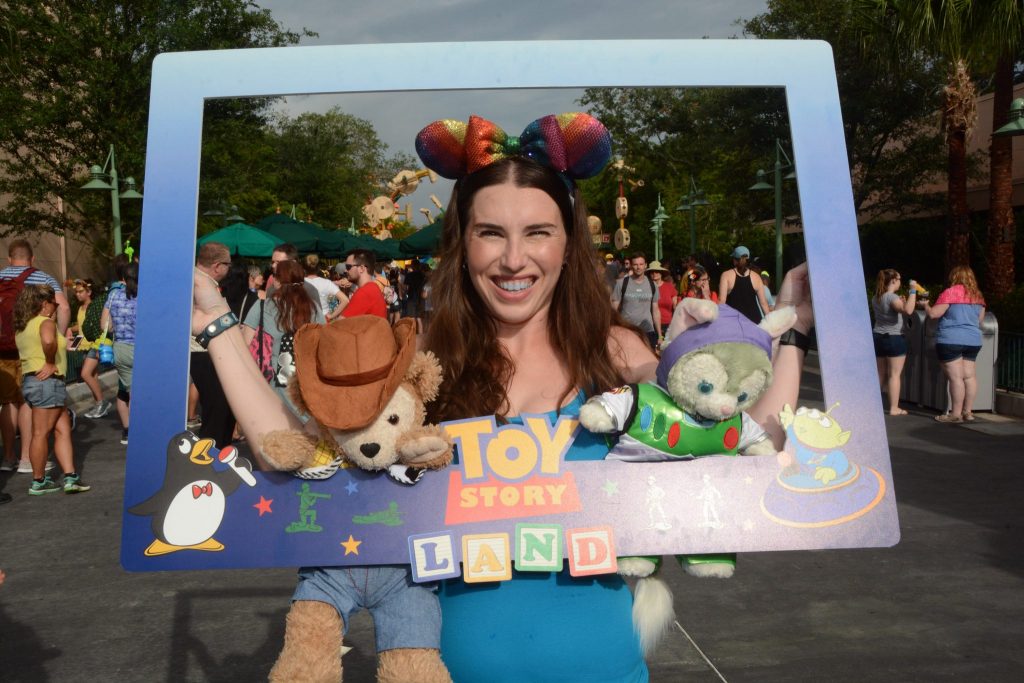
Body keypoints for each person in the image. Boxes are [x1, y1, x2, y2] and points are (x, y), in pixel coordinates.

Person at [189, 112, 811, 682]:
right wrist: (217, 325)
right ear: (464, 246)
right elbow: (290, 450)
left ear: (567, 245)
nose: (515, 259)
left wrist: (797, 331)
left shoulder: (616, 354)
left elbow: (742, 446)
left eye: (537, 231)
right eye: (491, 233)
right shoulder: (421, 361)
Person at [0, 239, 70, 474]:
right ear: (32, 258)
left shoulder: (1, 277)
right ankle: (27, 459)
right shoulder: (43, 278)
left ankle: (7, 456)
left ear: (10, 258)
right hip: (36, 351)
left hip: (5, 350)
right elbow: (64, 307)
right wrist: (59, 335)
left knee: (8, 402)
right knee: (28, 403)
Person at [13, 284, 89, 495]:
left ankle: (70, 476)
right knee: (41, 433)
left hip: (33, 382)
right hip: (48, 382)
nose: (56, 307)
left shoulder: (23, 326)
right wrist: (49, 361)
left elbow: (49, 344)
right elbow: (47, 341)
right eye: (53, 303)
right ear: (43, 304)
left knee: (62, 429)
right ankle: (38, 480)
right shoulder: (45, 322)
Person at [241, 259, 324, 418]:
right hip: (305, 385)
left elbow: (245, 345)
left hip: (269, 387)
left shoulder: (262, 306)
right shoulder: (313, 308)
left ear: (277, 281)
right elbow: (323, 343)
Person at [924, 265, 986, 423]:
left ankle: (955, 414)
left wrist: (925, 305)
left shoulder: (950, 293)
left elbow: (933, 314)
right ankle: (968, 412)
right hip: (973, 340)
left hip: (951, 339)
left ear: (954, 277)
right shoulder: (978, 296)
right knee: (969, 376)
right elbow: (979, 320)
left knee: (956, 378)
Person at [102, 262, 139, 446]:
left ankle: (127, 430)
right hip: (141, 349)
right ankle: (138, 430)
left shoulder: (114, 295)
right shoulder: (144, 296)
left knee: (126, 390)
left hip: (120, 348)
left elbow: (105, 326)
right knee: (137, 393)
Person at [871, 269, 917, 416]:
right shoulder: (892, 297)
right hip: (894, 338)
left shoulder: (876, 297)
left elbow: (895, 309)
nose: (900, 282)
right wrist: (913, 291)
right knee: (894, 375)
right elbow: (908, 310)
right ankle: (894, 408)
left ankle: (872, 405)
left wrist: (901, 302)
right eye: (899, 279)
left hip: (878, 336)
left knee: (879, 373)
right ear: (892, 281)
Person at [69, 279, 111, 419]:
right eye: (76, 292)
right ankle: (99, 404)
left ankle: (101, 402)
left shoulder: (95, 306)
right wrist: (69, 329)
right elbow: (80, 327)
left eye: (81, 291)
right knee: (92, 376)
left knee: (85, 374)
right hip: (84, 346)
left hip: (95, 344)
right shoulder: (81, 308)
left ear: (89, 292)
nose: (78, 294)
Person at [612, 251, 661, 348]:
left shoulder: (652, 285)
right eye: (635, 264)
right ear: (630, 265)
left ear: (645, 265)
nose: (638, 267)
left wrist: (659, 335)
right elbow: (613, 309)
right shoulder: (622, 283)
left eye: (641, 264)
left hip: (648, 331)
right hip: (627, 330)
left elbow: (656, 310)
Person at [718, 245, 771, 323]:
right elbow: (764, 303)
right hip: (754, 321)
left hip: (733, 321)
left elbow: (721, 301)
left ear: (734, 260)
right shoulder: (756, 277)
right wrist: (771, 322)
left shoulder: (726, 275)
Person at [340, 249, 386, 319]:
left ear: (361, 268)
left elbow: (340, 324)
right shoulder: (373, 287)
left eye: (348, 267)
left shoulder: (365, 292)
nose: (345, 270)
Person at [647, 260, 677, 336]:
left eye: (656, 271)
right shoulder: (646, 288)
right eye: (652, 272)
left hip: (668, 324)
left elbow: (675, 307)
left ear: (661, 273)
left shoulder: (669, 287)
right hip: (651, 325)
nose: (654, 274)